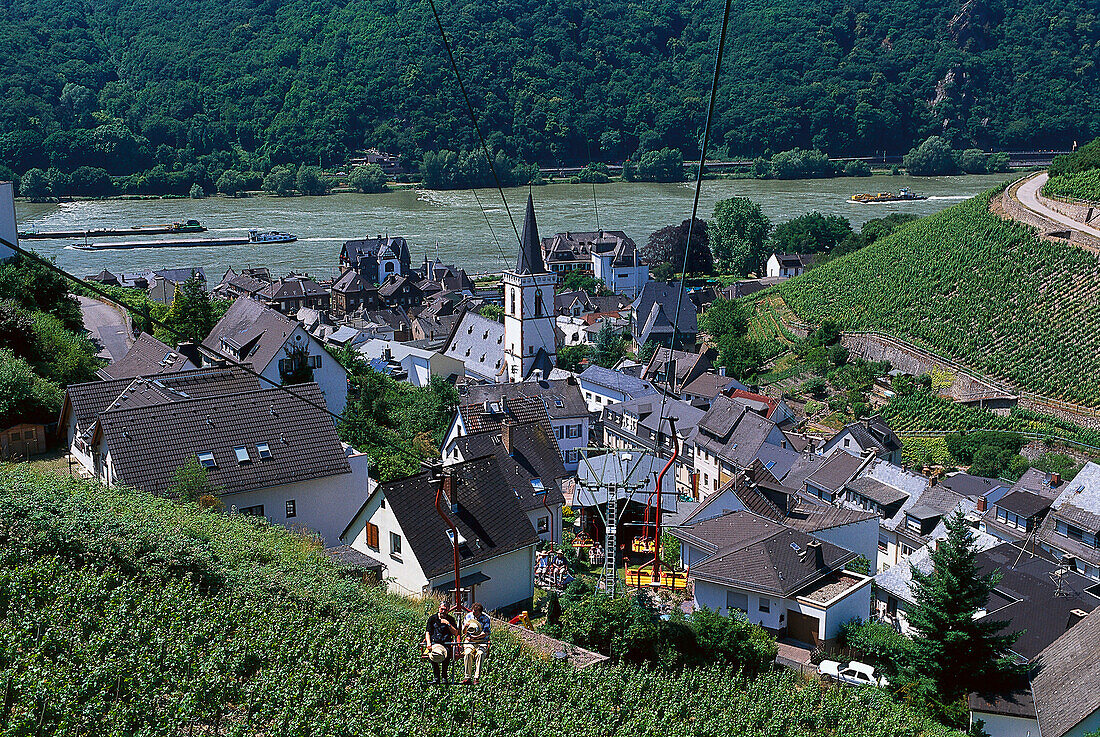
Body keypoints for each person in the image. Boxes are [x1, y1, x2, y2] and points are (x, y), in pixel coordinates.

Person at [424, 600, 458, 685]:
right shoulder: (432, 618)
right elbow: (428, 632)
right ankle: (436, 677)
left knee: (446, 657)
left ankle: (444, 677)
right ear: (439, 608)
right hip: (435, 643)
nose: (443, 611)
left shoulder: (450, 619)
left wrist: (448, 624)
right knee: (433, 655)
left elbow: (456, 633)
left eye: (445, 610)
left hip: (446, 643)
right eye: (442, 609)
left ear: (448, 611)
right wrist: (428, 643)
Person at [461, 602, 491, 684]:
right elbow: (463, 632)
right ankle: (467, 676)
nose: (474, 613)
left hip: (481, 641)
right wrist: (466, 627)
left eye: (476, 612)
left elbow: (486, 632)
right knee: (467, 653)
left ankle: (476, 677)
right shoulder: (468, 616)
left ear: (480, 612)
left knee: (480, 653)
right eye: (473, 611)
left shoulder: (485, 618)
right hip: (470, 641)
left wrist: (475, 637)